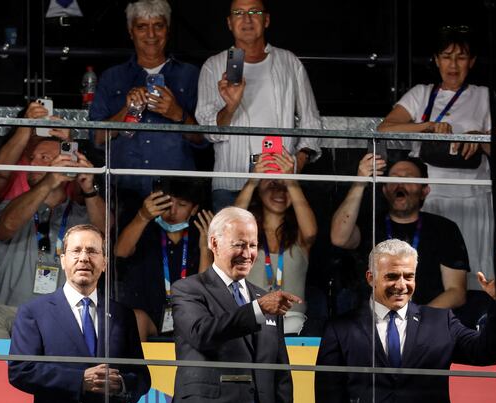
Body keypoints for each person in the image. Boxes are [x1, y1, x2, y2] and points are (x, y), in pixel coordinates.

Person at [315, 239, 496, 403]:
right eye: (392, 276)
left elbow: (486, 352)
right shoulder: (340, 328)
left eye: (408, 276)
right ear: (370, 278)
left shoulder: (441, 321)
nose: (401, 285)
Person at [155, 207, 298, 403]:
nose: (247, 253)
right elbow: (201, 333)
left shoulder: (263, 299)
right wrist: (257, 310)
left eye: (253, 245)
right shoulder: (187, 289)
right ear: (214, 243)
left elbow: (280, 372)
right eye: (239, 245)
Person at [8, 224, 151, 403]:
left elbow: (141, 378)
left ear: (104, 262)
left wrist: (121, 384)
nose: (84, 257)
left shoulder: (122, 314)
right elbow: (21, 370)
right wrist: (79, 380)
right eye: (76, 251)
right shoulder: (34, 312)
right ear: (63, 260)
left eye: (92, 251)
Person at [378, 26, 496, 292]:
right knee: (429, 272)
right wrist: (428, 127)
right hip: (429, 197)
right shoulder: (422, 93)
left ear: (472, 62)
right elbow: (385, 128)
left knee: (474, 276)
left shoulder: (484, 96)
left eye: (461, 57)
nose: (453, 64)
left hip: (473, 196)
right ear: (436, 60)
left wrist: (479, 138)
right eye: (446, 56)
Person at [0, 144, 107, 339]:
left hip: (66, 315)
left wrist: (89, 189)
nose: (32, 163)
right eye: (31, 157)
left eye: (43, 157)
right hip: (16, 314)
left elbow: (106, 232)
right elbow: (6, 227)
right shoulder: (11, 207)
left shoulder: (82, 214)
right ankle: (10, 368)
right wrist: (48, 182)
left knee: (103, 318)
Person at [196, 0, 322, 211]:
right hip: (231, 181)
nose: (246, 19)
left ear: (266, 19)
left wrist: (298, 162)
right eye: (238, 13)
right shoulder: (214, 65)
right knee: (232, 243)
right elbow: (209, 132)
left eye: (254, 12)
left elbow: (311, 120)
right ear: (229, 22)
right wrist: (230, 107)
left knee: (279, 243)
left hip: (280, 180)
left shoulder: (288, 62)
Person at [89, 0, 205, 214]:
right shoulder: (112, 78)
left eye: (158, 25)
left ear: (167, 30)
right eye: (142, 26)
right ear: (130, 31)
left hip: (178, 195)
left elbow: (205, 139)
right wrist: (127, 109)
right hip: (124, 193)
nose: (151, 34)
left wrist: (177, 114)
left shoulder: (191, 75)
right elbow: (97, 139)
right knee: (122, 249)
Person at [330, 154, 470, 309]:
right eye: (394, 179)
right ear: (384, 190)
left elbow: (456, 292)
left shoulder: (444, 229)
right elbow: (339, 238)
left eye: (409, 179)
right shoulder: (370, 223)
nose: (400, 184)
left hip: (425, 323)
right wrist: (360, 182)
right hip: (372, 322)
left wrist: (416, 322)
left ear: (425, 191)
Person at [114, 178, 214, 340]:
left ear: (194, 209)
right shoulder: (145, 228)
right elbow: (120, 252)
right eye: (167, 203)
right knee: (136, 318)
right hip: (150, 315)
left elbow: (205, 290)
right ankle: (135, 367)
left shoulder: (199, 234)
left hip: (189, 316)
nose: (172, 211)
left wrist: (205, 248)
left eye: (182, 205)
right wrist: (143, 217)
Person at [234, 151, 317, 333]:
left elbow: (311, 232)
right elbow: (231, 222)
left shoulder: (299, 237)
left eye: (285, 187)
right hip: (252, 324)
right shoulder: (245, 236)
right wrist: (253, 180)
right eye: (272, 184)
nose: (280, 191)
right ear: (259, 190)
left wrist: (291, 180)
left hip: (293, 326)